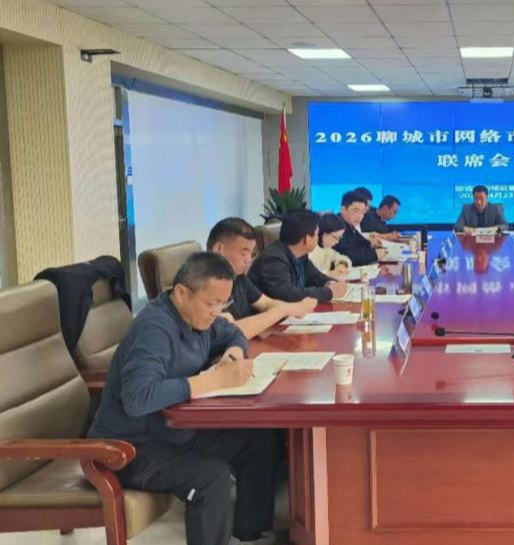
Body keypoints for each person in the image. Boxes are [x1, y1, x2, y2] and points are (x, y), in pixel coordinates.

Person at [88, 252, 279, 545]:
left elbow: (233, 334)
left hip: (173, 431)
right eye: (212, 303)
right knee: (211, 477)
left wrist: (233, 354)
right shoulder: (155, 329)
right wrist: (212, 381)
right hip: (129, 447)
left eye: (224, 303)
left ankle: (249, 532)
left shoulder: (200, 318)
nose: (217, 312)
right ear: (181, 293)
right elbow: (138, 397)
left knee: (259, 439)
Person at [206, 217, 316, 339]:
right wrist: (282, 310)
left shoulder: (238, 277)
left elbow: (266, 303)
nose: (248, 260)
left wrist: (295, 308)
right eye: (243, 253)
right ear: (219, 249)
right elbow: (231, 331)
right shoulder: (204, 284)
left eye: (251, 253)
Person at [249, 209, 348, 302]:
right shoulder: (273, 260)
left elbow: (316, 277)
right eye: (316, 235)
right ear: (307, 239)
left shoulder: (300, 255)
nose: (318, 238)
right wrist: (329, 292)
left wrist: (333, 283)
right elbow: (288, 294)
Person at [334, 190, 386, 265]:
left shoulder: (350, 226)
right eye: (356, 211)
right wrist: (375, 255)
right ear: (343, 209)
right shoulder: (336, 227)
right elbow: (346, 256)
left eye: (362, 212)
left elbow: (364, 244)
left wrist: (374, 247)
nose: (359, 216)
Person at [309, 213, 353, 278]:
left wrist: (342, 264)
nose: (337, 241)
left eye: (340, 238)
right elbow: (310, 277)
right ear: (325, 234)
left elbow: (344, 258)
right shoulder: (310, 252)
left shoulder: (327, 249)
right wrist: (329, 274)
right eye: (336, 237)